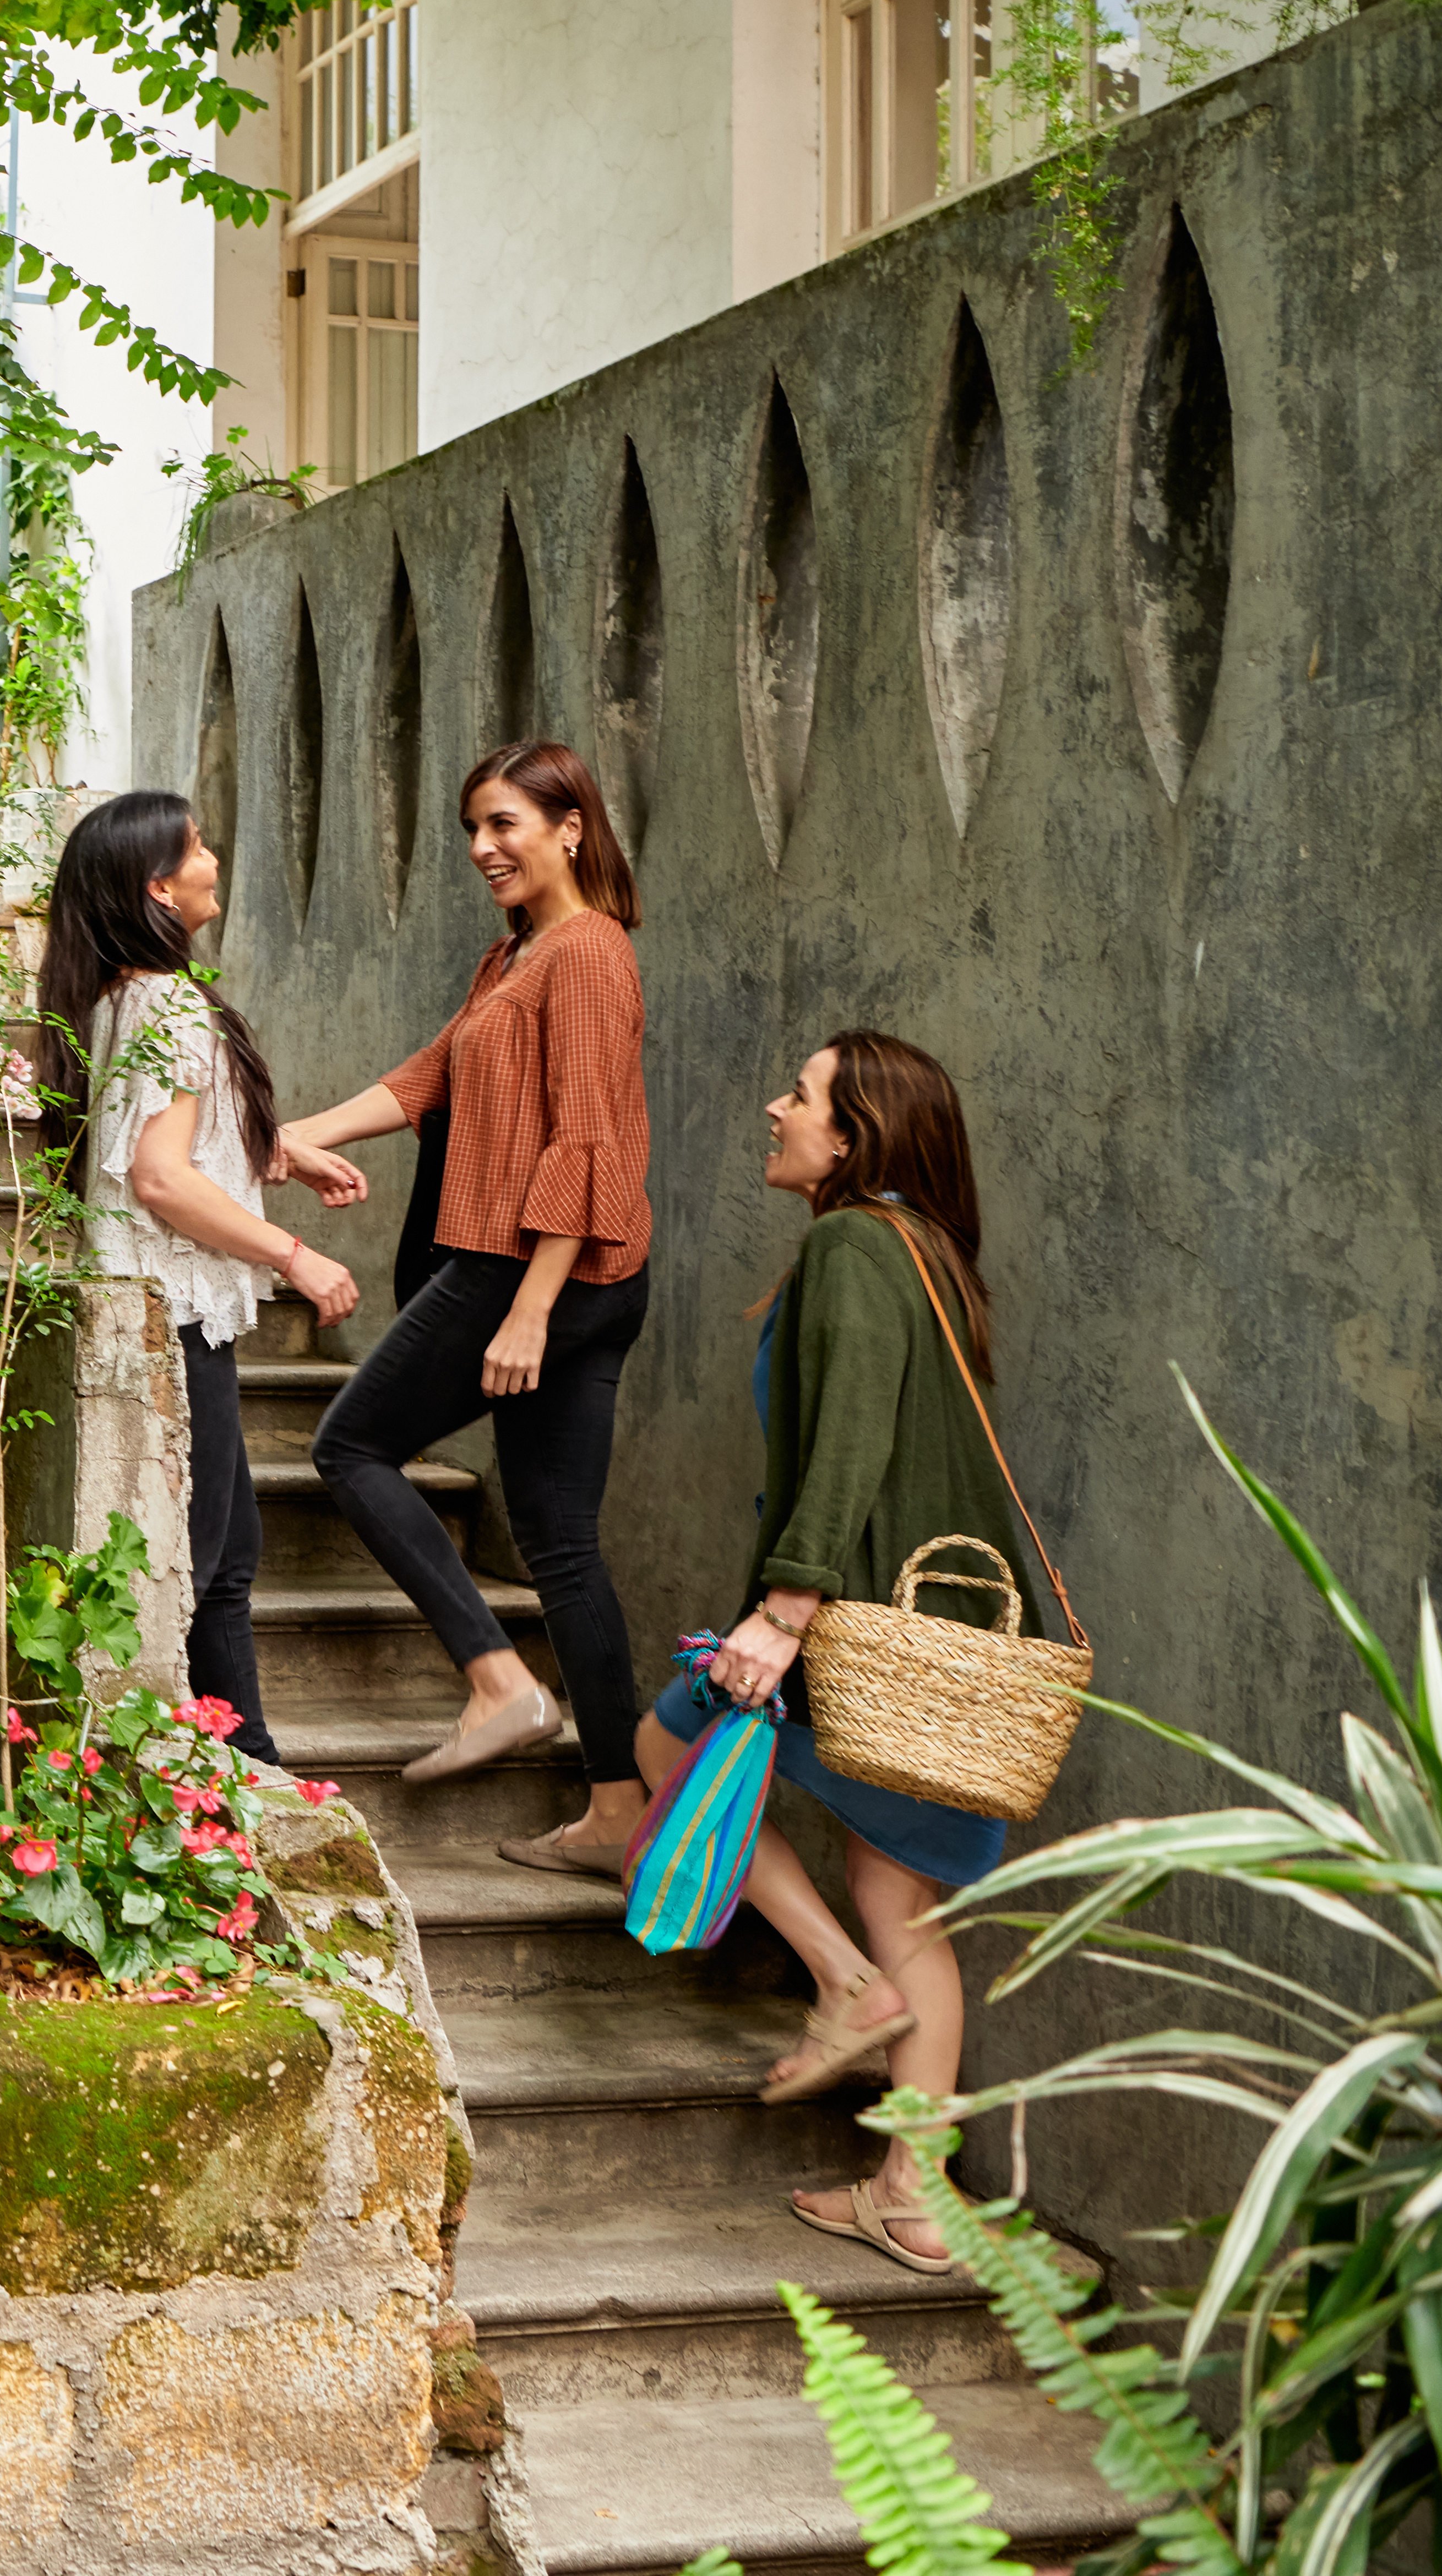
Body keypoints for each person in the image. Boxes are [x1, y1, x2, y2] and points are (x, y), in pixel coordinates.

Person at [633, 1029, 1049, 2277]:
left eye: (800, 1096)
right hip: (939, 1633)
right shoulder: (928, 1254)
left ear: (854, 1135)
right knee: (901, 1896)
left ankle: (841, 1987)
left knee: (666, 1741)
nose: (776, 1108)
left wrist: (786, 1608)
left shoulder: (857, 1244)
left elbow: (852, 1436)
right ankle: (917, 2198)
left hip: (860, 1616)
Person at [276, 742, 653, 1880]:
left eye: (505, 825)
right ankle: (620, 1807)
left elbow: (585, 1143)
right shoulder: (517, 956)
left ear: (572, 827)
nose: (484, 849)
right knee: (560, 1542)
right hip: (579, 1275)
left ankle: (498, 1683)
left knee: (353, 1446)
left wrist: (530, 1308)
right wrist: (293, 1137)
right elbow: (430, 1075)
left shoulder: (586, 955)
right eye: (472, 831)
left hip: (530, 1268)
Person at [35, 790, 371, 1755]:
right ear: (157, 885)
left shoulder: (111, 1000)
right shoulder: (167, 1004)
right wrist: (295, 1254)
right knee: (209, 1564)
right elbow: (160, 1176)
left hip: (147, 1308)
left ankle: (238, 1765)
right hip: (174, 1311)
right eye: (197, 848)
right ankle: (232, 1773)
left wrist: (280, 1153)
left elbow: (161, 1149)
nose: (212, 858)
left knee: (219, 1557)